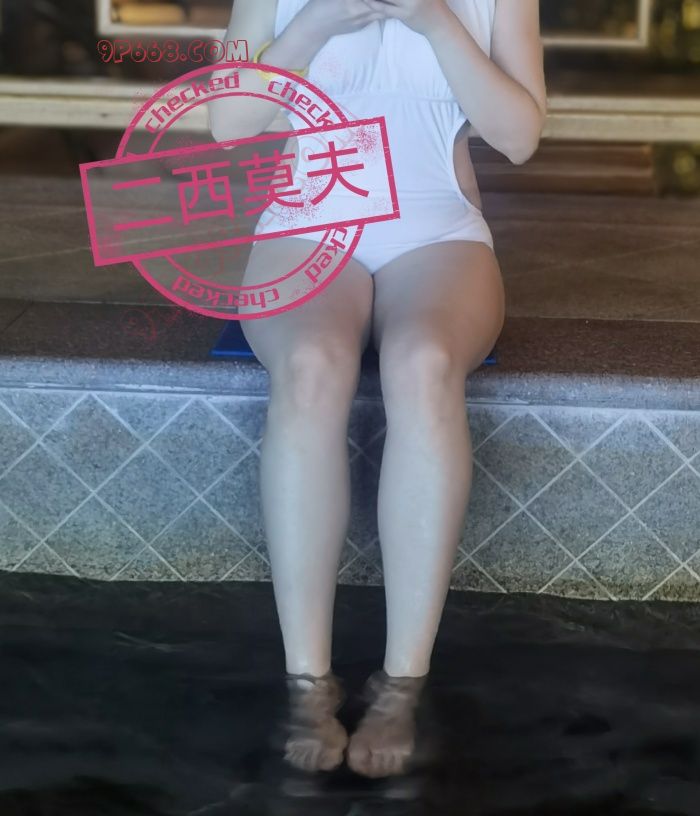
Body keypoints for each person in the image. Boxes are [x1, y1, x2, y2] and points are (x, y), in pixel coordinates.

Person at [208, 0, 547, 779]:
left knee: (422, 362)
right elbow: (229, 121)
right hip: (305, 223)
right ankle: (308, 683)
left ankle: (401, 684)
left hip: (436, 231)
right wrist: (317, 21)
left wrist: (435, 21)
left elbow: (520, 136)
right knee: (311, 366)